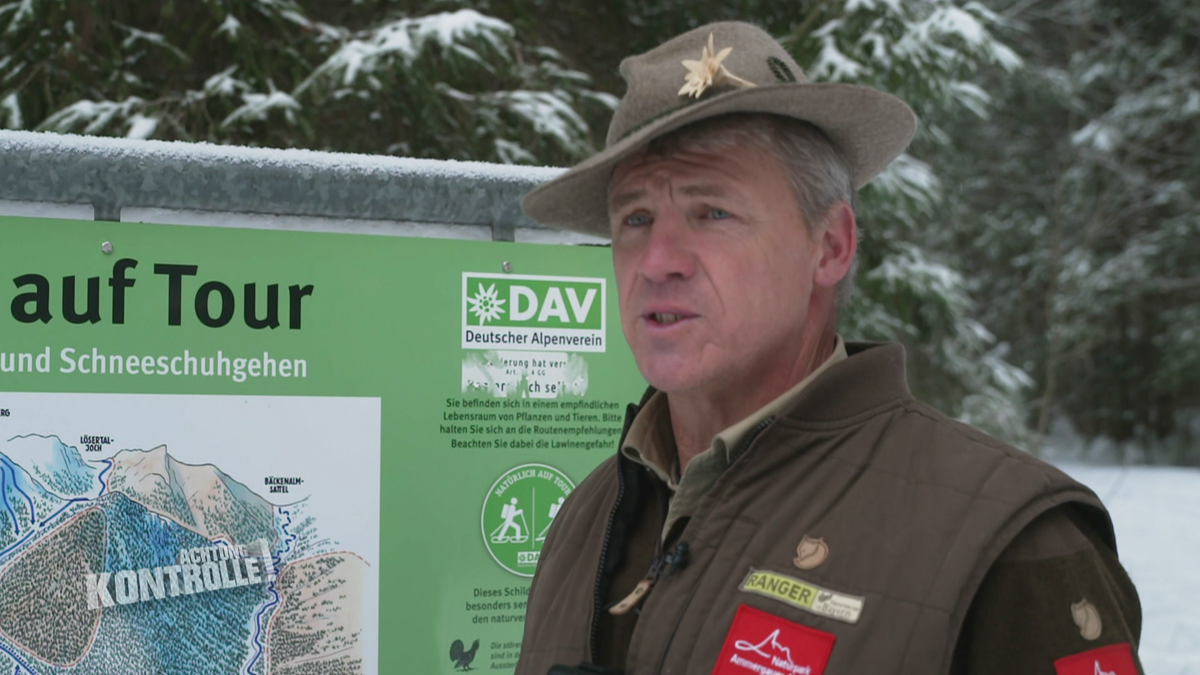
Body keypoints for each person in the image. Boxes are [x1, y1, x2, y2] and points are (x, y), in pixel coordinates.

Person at [514, 21, 1143, 675]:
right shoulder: (585, 518)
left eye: (712, 212)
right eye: (636, 219)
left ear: (831, 246)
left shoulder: (1005, 542)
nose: (658, 260)